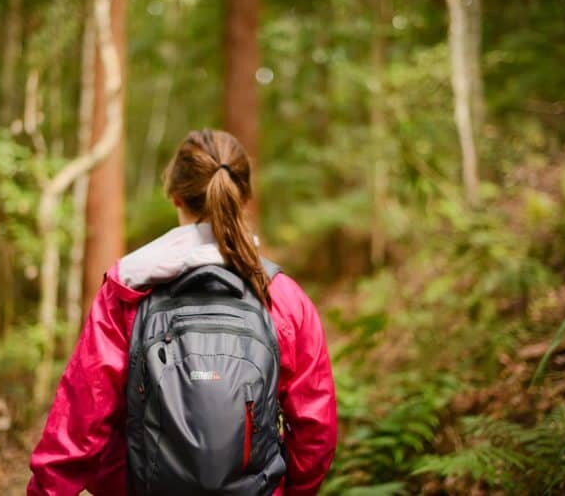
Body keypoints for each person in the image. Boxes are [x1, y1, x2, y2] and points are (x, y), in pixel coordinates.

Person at [28, 129, 337, 495]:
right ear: (246, 198)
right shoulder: (282, 298)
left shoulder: (127, 289)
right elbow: (316, 430)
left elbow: (79, 423)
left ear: (175, 196)